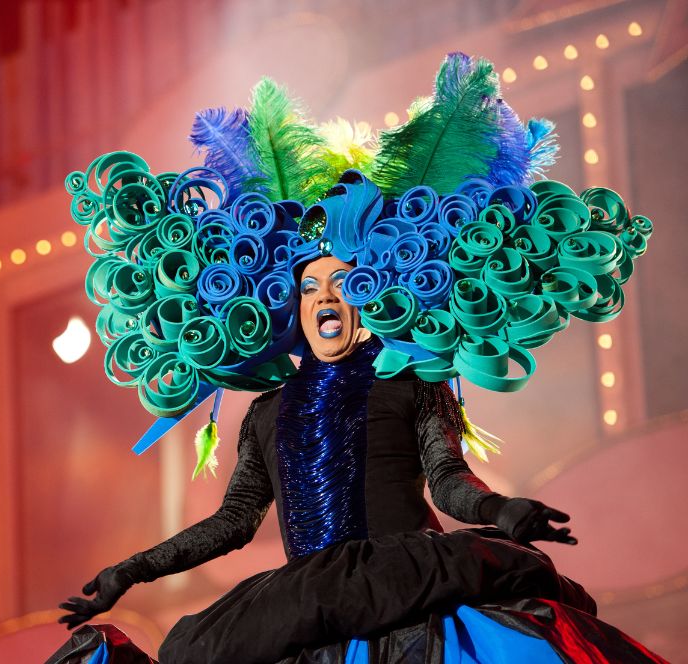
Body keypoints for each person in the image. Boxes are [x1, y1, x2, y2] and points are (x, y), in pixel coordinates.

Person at [50, 54, 665, 662]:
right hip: (302, 605)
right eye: (311, 286)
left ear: (371, 295)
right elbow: (235, 521)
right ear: (289, 305)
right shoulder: (266, 413)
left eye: (343, 283)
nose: (327, 297)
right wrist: (131, 570)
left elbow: (448, 481)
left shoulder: (412, 385)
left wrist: (501, 510)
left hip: (411, 583)